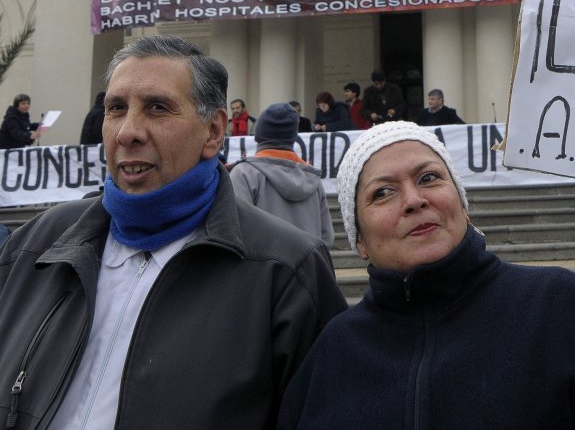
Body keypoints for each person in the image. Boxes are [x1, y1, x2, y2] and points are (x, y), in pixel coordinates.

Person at [278, 123, 575, 430]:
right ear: (359, 240)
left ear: (462, 203)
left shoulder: (559, 306)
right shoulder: (334, 352)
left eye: (429, 178)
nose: (413, 199)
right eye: (383, 193)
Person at [0, 36, 347, 430]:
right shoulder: (32, 246)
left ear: (213, 131)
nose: (128, 132)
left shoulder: (287, 271)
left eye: (157, 108)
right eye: (116, 108)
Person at [230, 102, 334, 249]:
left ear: (258, 136)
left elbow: (236, 233)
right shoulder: (313, 179)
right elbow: (327, 238)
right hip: (309, 269)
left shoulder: (244, 174)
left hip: (264, 270)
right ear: (293, 137)